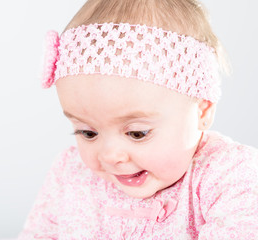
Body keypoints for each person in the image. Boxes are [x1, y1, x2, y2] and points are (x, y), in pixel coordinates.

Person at [19, 0, 258, 238]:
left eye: (137, 133)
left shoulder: (229, 174)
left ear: (201, 112)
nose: (111, 156)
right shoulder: (71, 174)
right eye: (88, 133)